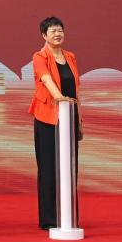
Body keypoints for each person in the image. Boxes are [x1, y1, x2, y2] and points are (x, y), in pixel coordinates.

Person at [29, 15, 82, 230]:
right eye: (53, 31)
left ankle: (68, 216)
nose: (57, 34)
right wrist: (59, 98)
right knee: (49, 168)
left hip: (69, 116)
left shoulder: (70, 57)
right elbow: (46, 79)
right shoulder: (39, 56)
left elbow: (76, 89)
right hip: (47, 118)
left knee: (70, 168)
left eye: (60, 30)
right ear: (44, 35)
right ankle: (50, 219)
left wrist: (79, 120)